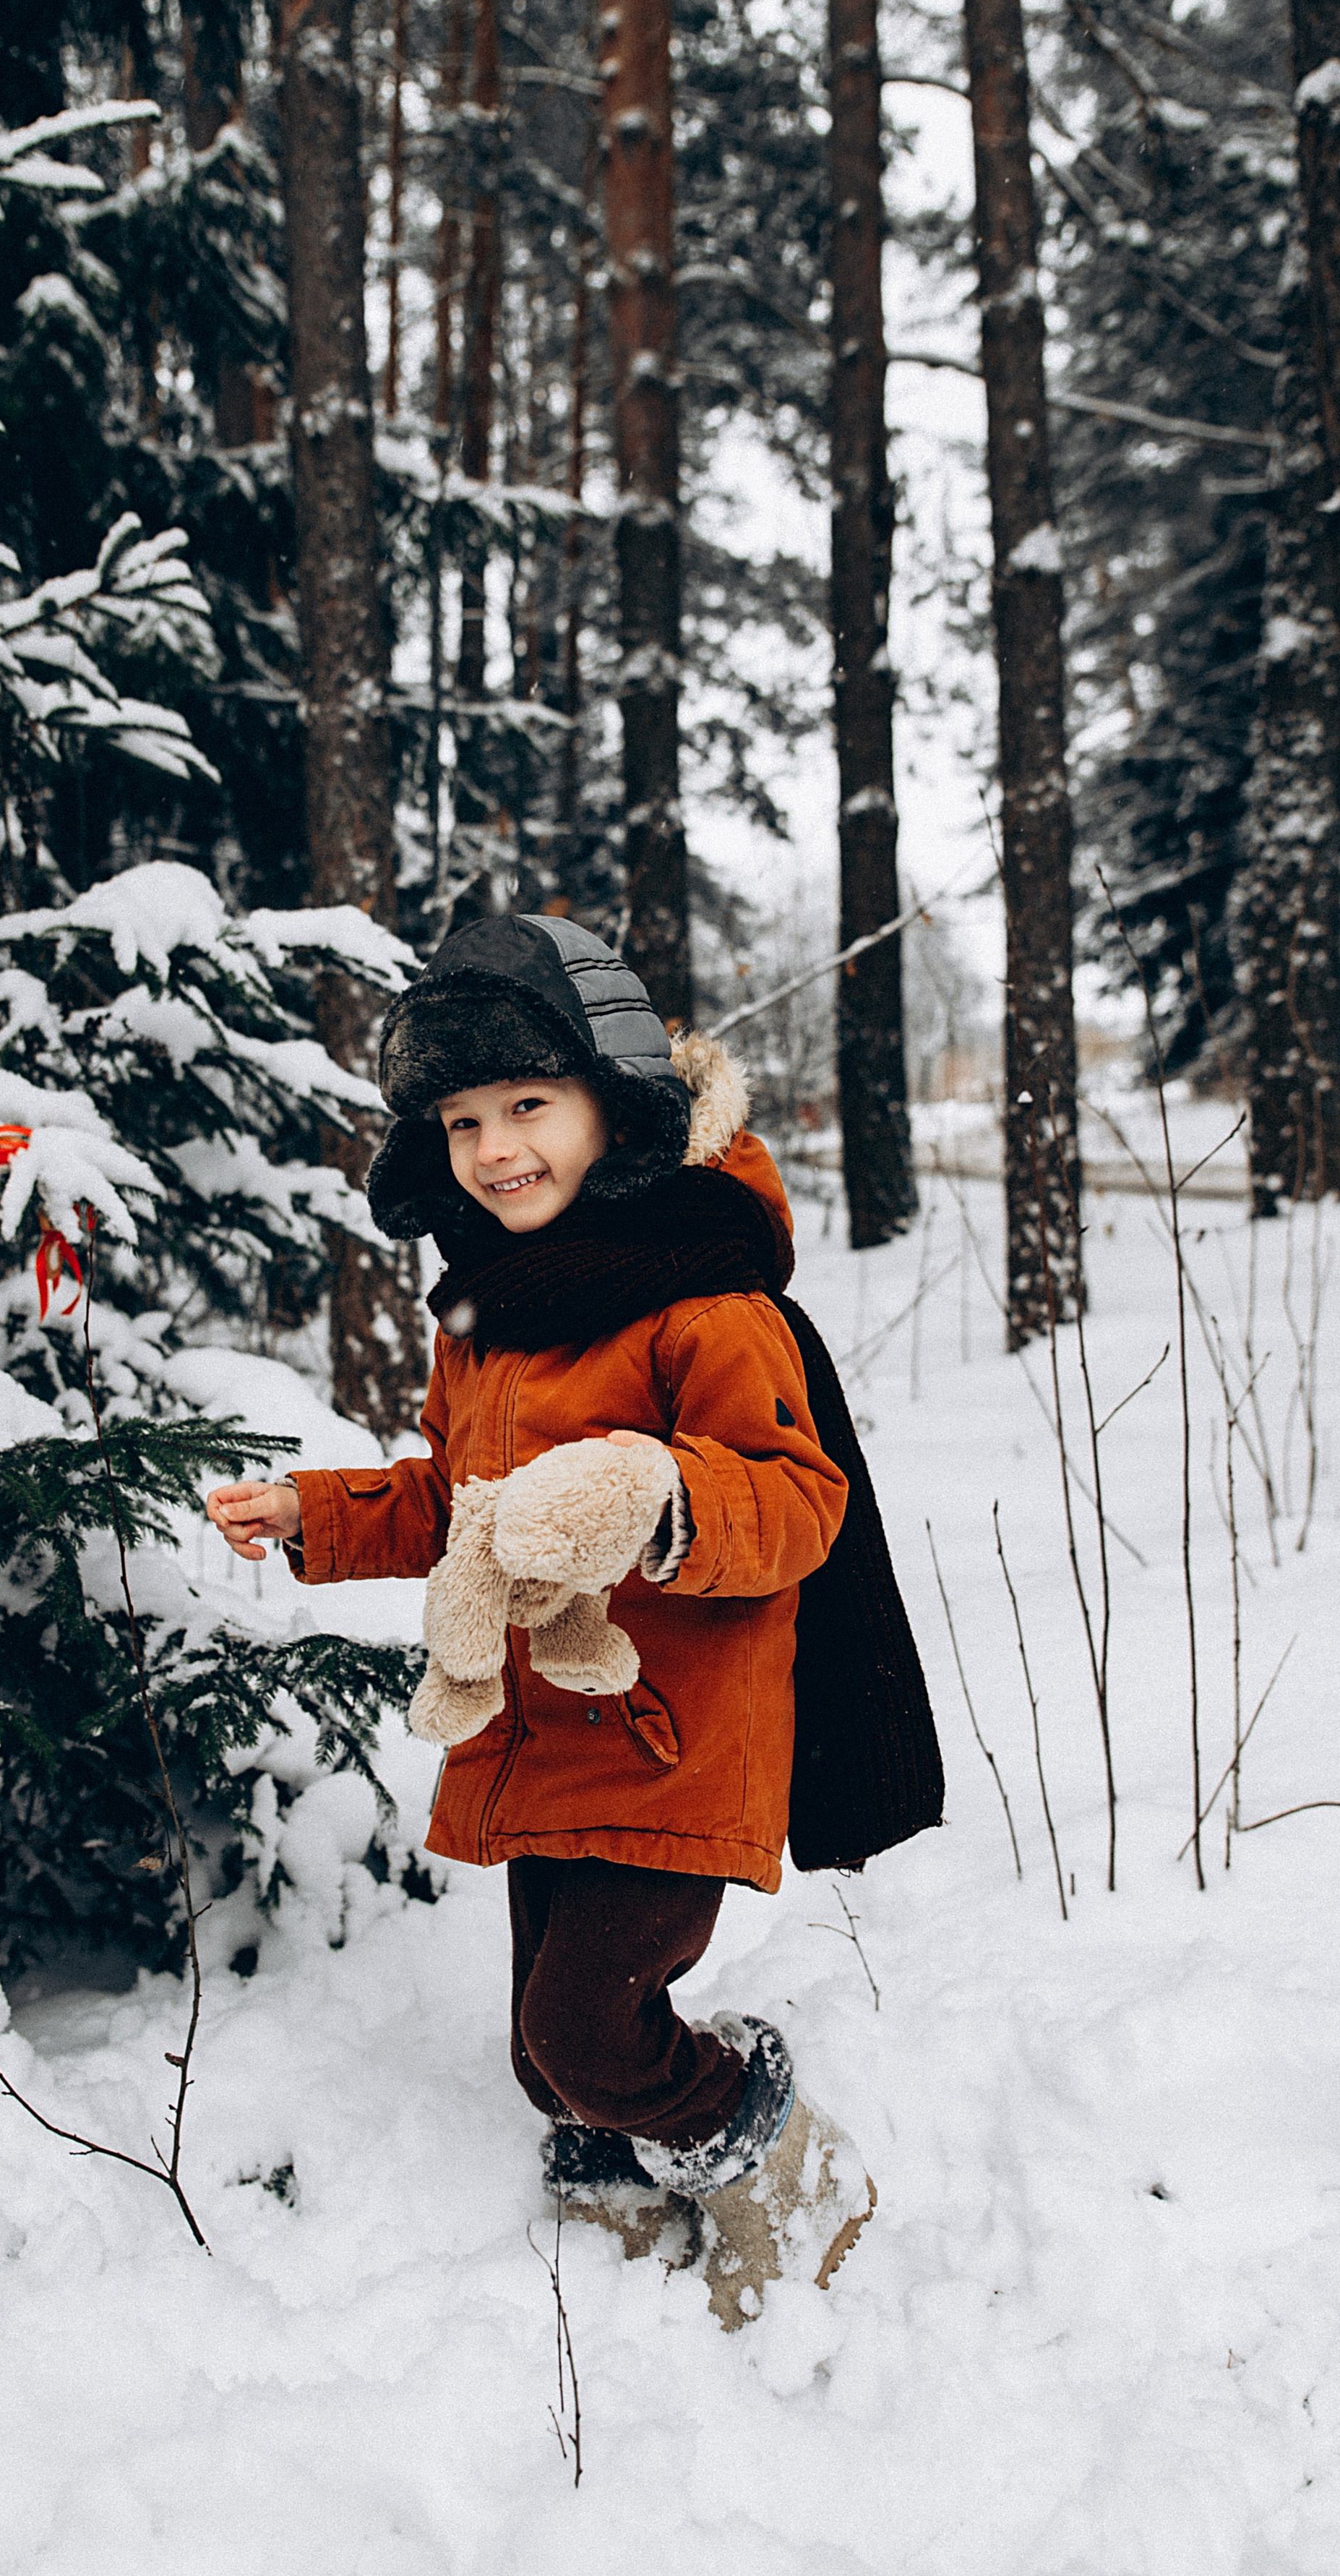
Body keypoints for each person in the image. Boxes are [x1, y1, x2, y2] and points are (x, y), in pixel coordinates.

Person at [207, 912, 877, 2327]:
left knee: (585, 2028)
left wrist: (658, 1497)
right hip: (543, 1735)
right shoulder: (494, 1322)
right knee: (545, 2053)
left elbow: (794, 1500)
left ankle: (781, 2164)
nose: (495, 1147)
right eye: (461, 1122)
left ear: (613, 1105)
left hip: (666, 1733)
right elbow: (460, 1505)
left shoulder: (704, 1305)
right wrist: (319, 1516)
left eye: (529, 1105)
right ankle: (621, 2181)